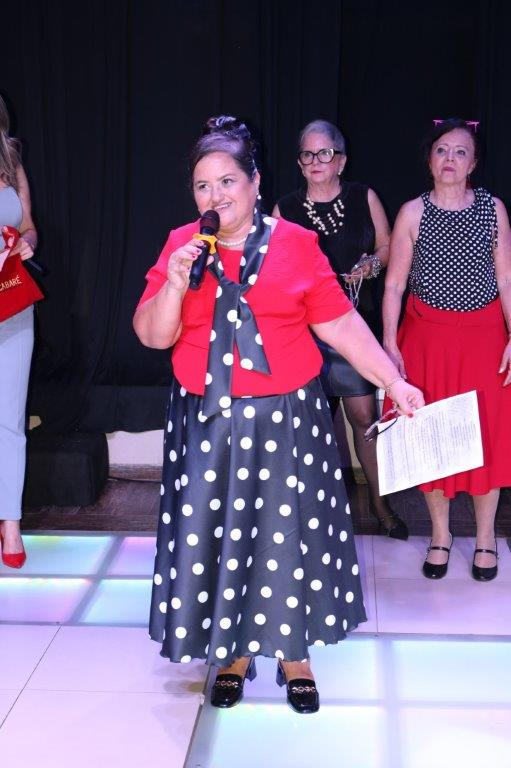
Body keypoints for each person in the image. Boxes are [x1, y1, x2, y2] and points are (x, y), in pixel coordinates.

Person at [134, 115, 423, 714]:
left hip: (286, 420)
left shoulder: (295, 243)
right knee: (222, 540)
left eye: (227, 181)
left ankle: (295, 656)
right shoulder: (181, 245)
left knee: (286, 539)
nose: (215, 196)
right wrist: (175, 284)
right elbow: (153, 336)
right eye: (203, 186)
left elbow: (341, 325)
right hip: (206, 423)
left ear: (255, 183)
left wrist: (393, 381)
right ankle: (234, 653)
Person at [383, 117, 511, 582]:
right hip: (427, 340)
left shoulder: (493, 209)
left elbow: (506, 278)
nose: (450, 159)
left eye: (460, 152)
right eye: (441, 150)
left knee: (485, 439)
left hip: (484, 339)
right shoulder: (411, 212)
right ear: (430, 160)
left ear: (473, 163)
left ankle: (485, 538)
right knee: (431, 439)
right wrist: (389, 343)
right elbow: (394, 285)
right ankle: (440, 535)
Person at [274, 119, 408, 540]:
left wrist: (372, 264)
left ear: (341, 160)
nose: (316, 160)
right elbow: (273, 267)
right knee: (312, 424)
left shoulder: (363, 196)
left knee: (364, 415)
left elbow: (387, 246)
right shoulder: (284, 209)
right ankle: (315, 512)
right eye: (308, 154)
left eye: (325, 153)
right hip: (305, 330)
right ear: (299, 162)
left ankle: (380, 504)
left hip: (353, 325)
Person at [0, 94, 37, 569]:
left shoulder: (11, 160)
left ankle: (10, 521)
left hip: (10, 300)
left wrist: (26, 243)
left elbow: (29, 227)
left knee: (9, 417)